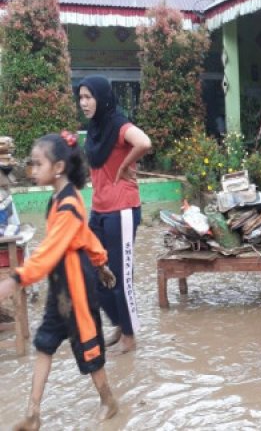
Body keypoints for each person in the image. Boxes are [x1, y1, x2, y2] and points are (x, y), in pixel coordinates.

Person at [0, 132, 119, 429]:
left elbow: (51, 250)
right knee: (44, 343)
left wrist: (16, 279)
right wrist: (101, 260)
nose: (33, 170)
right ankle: (33, 413)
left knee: (88, 344)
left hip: (76, 283)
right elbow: (85, 235)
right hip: (60, 285)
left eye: (38, 164)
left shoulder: (68, 205)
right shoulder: (58, 199)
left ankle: (108, 400)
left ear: (58, 168)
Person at [79, 76, 152, 354]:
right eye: (81, 97)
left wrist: (125, 164)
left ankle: (130, 337)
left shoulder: (119, 124)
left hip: (121, 209)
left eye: (89, 97)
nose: (84, 103)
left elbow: (144, 142)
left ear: (102, 97)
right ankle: (120, 323)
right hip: (98, 209)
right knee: (92, 269)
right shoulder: (96, 129)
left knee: (120, 276)